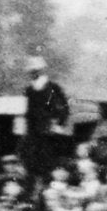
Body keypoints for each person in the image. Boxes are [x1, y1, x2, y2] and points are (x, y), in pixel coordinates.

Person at [21, 56, 69, 188]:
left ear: (41, 71)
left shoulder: (53, 87)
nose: (33, 73)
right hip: (33, 132)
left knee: (49, 161)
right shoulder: (29, 90)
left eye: (36, 70)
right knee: (32, 161)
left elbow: (64, 107)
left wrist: (59, 123)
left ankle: (49, 186)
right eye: (31, 71)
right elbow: (28, 111)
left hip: (50, 131)